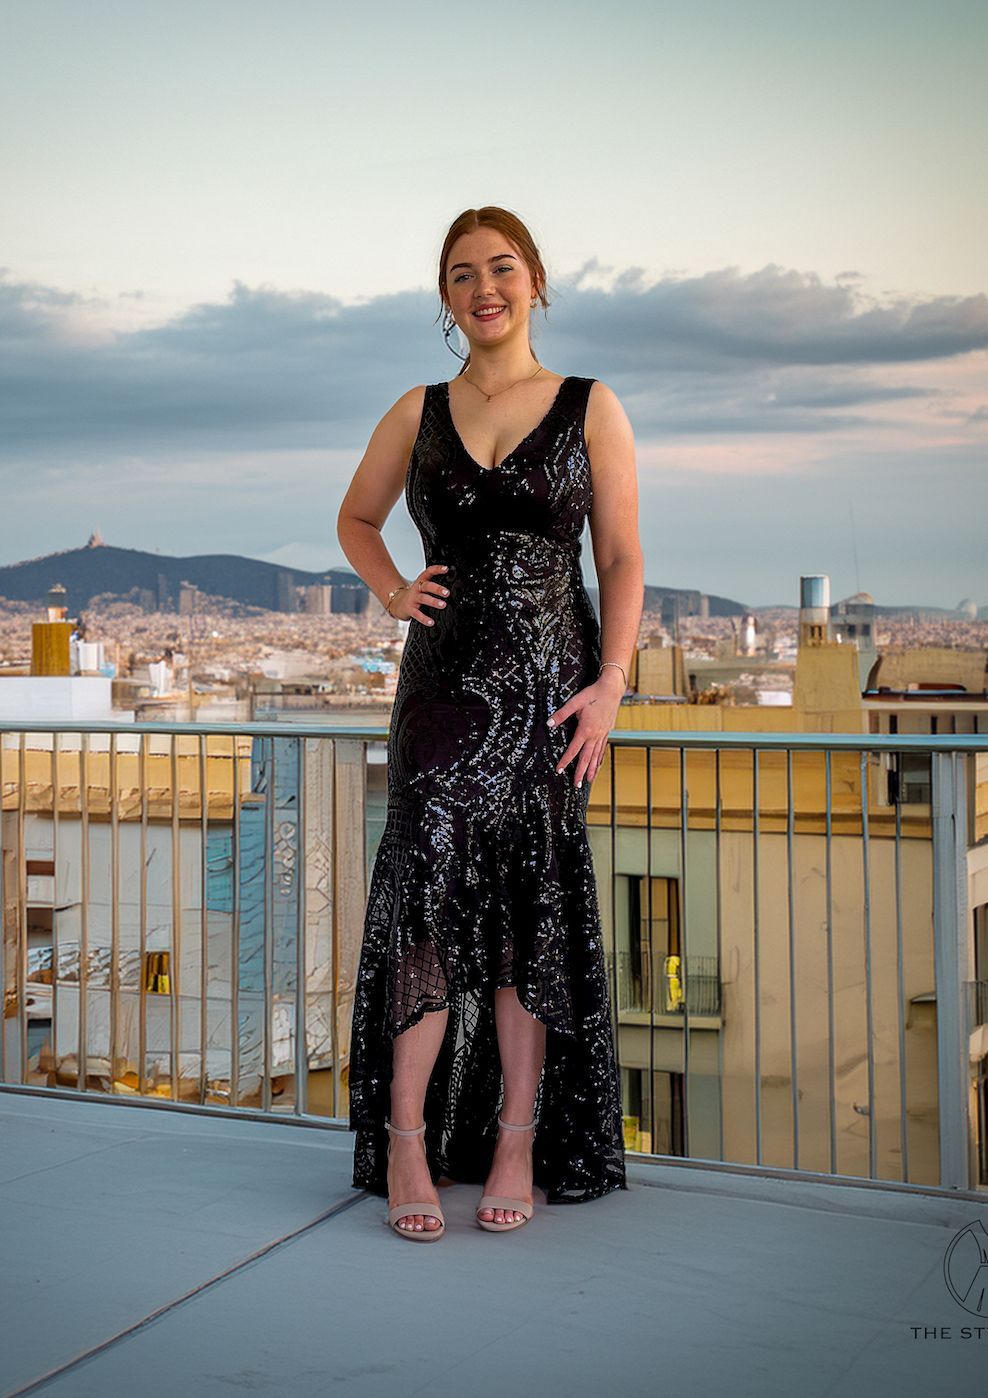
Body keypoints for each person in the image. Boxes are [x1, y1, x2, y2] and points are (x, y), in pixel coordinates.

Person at [335, 205, 644, 1242]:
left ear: (537, 280)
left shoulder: (590, 405)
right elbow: (355, 516)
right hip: (439, 701)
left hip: (553, 700)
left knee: (527, 922)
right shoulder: (416, 410)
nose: (484, 289)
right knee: (423, 905)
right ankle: (408, 1143)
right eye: (462, 275)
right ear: (446, 297)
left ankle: (515, 1138)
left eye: (501, 268)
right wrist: (387, 589)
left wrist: (611, 681)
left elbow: (622, 559)